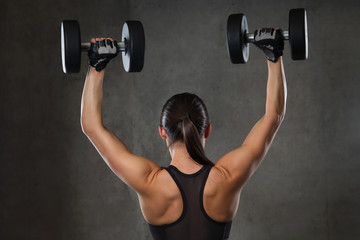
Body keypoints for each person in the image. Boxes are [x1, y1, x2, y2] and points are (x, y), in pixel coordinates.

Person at [80, 28, 286, 240]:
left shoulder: (149, 182)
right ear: (207, 129)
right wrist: (274, 55)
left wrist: (97, 65)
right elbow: (274, 117)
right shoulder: (227, 176)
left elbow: (91, 127)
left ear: (162, 132)